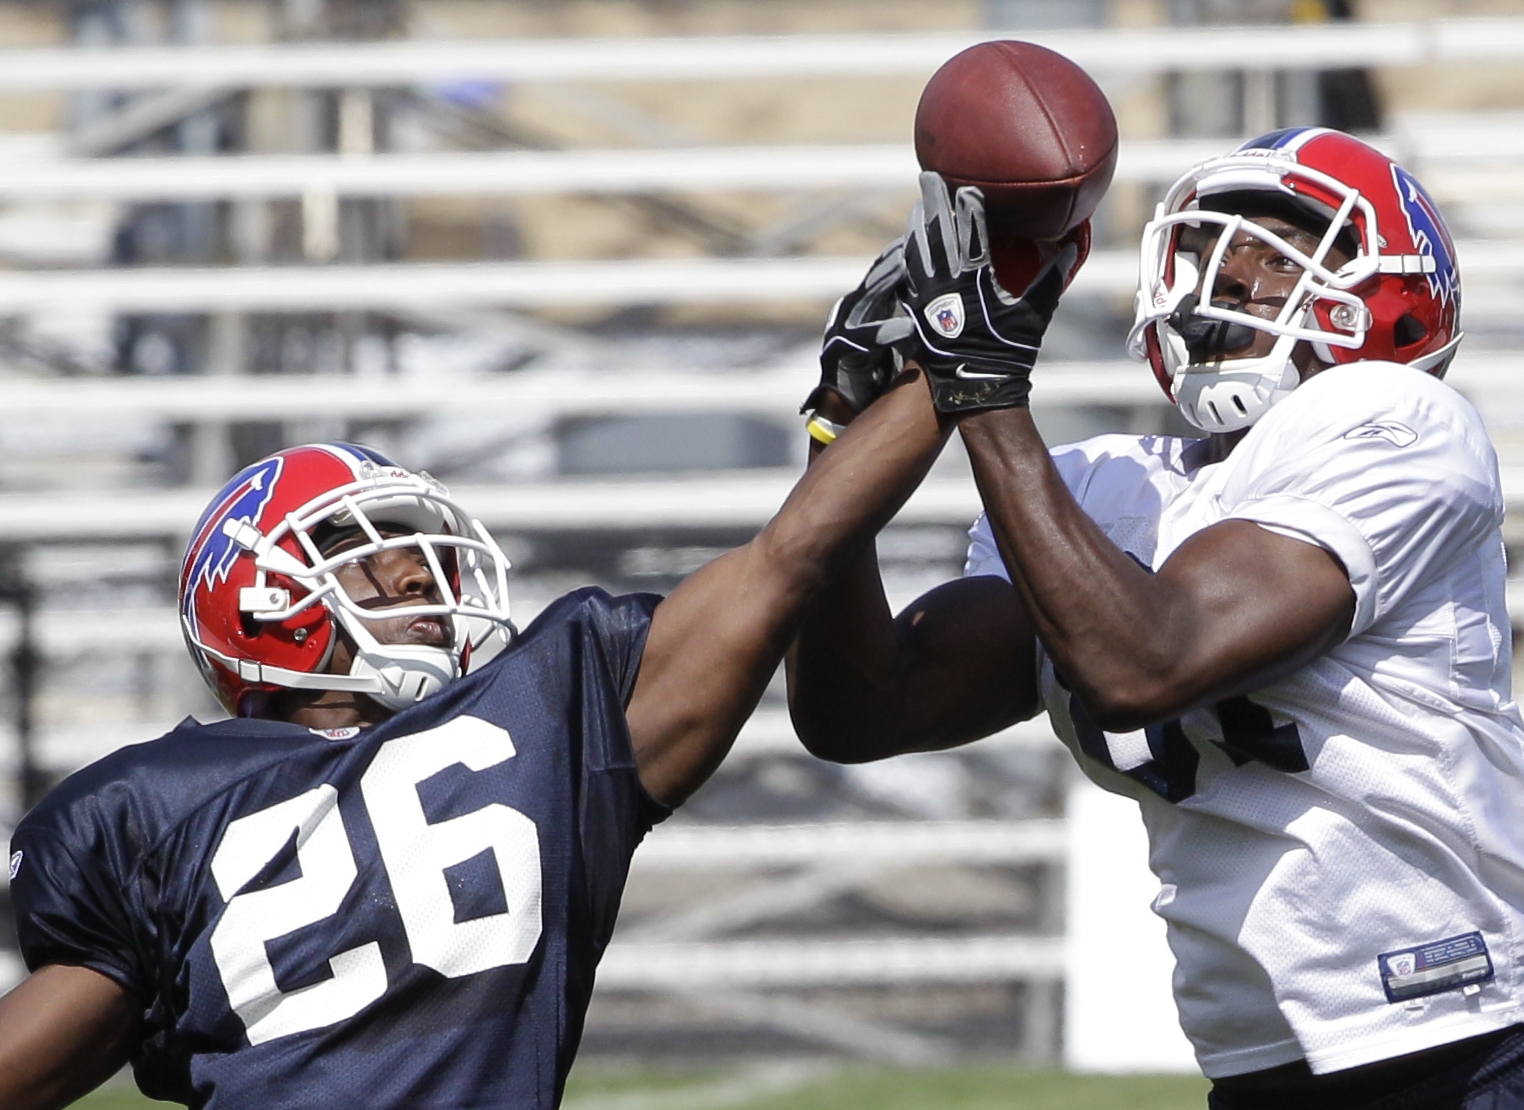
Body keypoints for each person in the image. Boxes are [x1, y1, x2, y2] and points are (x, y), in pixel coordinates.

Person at [0, 330, 953, 1109]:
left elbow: (787, 561)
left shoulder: (543, 710)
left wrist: (949, 365)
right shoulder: (147, 809)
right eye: (365, 551)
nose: (420, 572)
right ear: (257, 602)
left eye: (423, 550)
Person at [789, 127, 1524, 1108]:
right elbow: (858, 710)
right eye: (1217, 242)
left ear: (1396, 286)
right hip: (1260, 1062)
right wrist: (842, 430)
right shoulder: (1100, 488)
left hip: (1466, 1043)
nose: (1237, 270)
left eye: (1283, 242)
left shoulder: (1400, 423)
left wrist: (989, 396)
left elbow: (1150, 661)